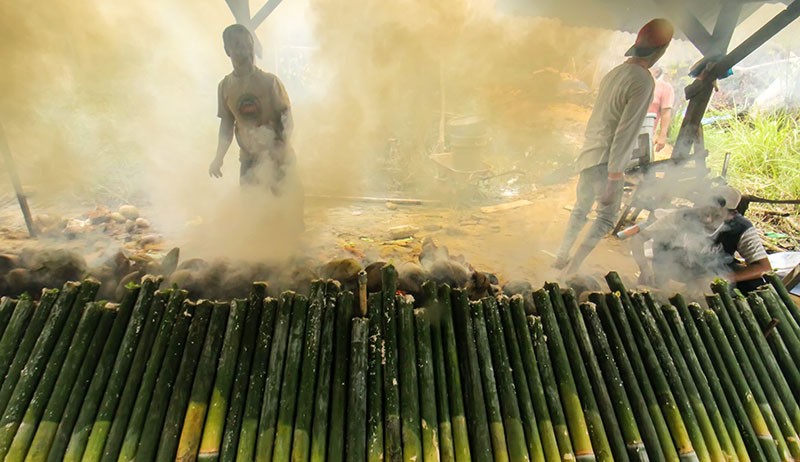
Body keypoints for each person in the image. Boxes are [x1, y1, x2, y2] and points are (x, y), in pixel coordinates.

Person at [553, 18, 674, 274]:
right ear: (660, 51)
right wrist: (615, 175)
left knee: (581, 209)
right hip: (608, 161)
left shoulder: (614, 74)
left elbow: (598, 118)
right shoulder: (643, 81)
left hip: (589, 154)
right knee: (606, 218)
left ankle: (561, 254)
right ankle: (573, 266)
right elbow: (625, 132)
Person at [209, 23, 304, 230]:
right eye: (237, 45)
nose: (244, 50)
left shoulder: (269, 82)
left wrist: (280, 148)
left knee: (288, 212)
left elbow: (286, 117)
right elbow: (227, 125)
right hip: (249, 160)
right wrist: (218, 158)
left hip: (279, 158)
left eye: (247, 44)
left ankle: (292, 245)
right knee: (252, 214)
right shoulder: (225, 87)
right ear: (227, 50)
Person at [631, 185, 772, 294]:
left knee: (754, 283)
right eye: (705, 211)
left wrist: (723, 279)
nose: (708, 219)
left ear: (732, 214)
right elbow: (639, 238)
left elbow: (764, 267)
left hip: (712, 274)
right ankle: (661, 285)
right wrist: (645, 269)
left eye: (716, 215)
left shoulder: (741, 228)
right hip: (676, 269)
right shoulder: (680, 217)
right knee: (662, 243)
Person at [648, 65, 675, 153]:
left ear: (656, 72)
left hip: (646, 133)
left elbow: (665, 112)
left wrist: (662, 135)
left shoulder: (665, 88)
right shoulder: (633, 84)